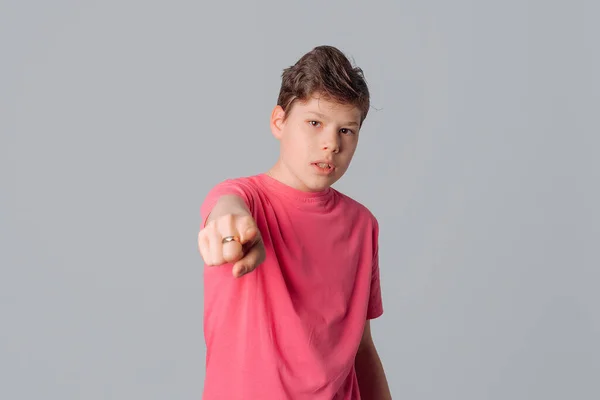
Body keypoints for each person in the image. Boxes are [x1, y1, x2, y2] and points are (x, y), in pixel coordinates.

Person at [197, 45, 391, 400]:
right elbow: (226, 208)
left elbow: (361, 348)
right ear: (279, 122)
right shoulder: (245, 198)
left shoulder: (363, 225)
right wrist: (232, 231)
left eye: (346, 131)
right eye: (315, 123)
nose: (331, 144)